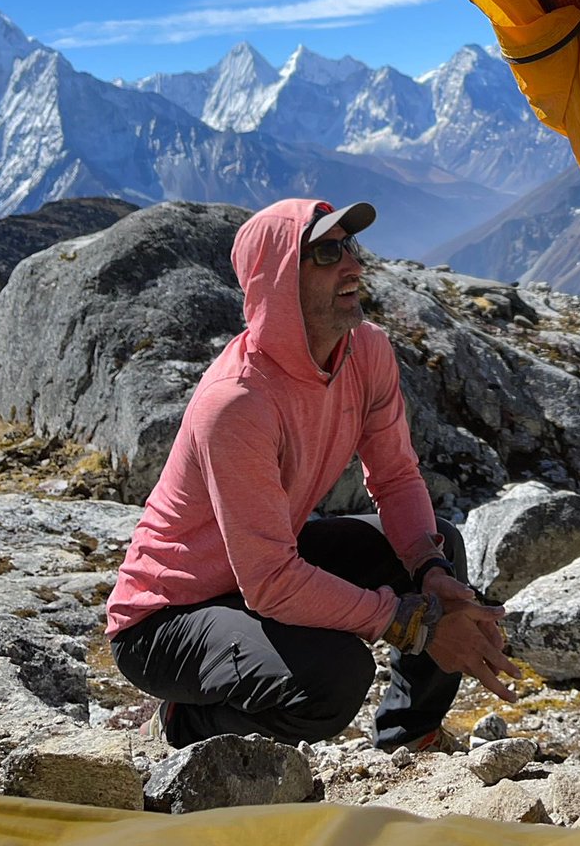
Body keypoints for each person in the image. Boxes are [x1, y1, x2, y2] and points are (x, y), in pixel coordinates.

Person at [106, 197, 519, 751]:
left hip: (256, 571)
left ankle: (410, 737)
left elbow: (395, 476)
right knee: (333, 677)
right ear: (277, 280)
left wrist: (429, 573)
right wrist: (413, 625)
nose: (354, 265)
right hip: (168, 618)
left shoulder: (366, 351)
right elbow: (272, 582)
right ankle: (180, 724)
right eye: (327, 252)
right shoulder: (237, 403)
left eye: (352, 247)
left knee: (439, 542)